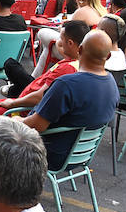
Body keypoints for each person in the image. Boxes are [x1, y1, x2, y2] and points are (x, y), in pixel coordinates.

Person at [19, 29, 119, 170]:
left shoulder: (66, 84)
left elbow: (36, 126)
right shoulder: (112, 83)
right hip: (81, 155)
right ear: (108, 56)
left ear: (80, 49)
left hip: (49, 154)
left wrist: (13, 121)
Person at [0, 19, 88, 111]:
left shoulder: (66, 68)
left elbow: (41, 96)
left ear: (70, 43)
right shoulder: (77, 62)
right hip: (26, 100)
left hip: (22, 109)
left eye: (61, 38)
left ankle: (10, 90)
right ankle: (11, 90)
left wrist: (13, 103)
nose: (58, 42)